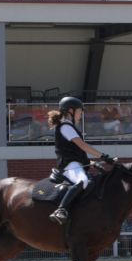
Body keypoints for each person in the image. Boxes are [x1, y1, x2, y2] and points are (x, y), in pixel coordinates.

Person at [48, 96, 116, 226]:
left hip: (75, 163)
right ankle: (60, 210)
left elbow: (77, 153)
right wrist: (103, 156)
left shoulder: (69, 126)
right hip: (69, 165)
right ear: (71, 111)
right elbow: (82, 146)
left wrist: (91, 163)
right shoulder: (66, 127)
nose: (81, 115)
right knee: (83, 181)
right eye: (79, 111)